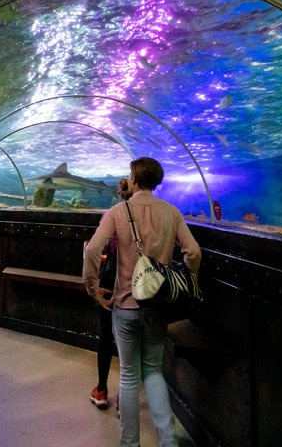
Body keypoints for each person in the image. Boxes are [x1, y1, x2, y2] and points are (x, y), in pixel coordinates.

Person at [83, 157, 202, 447]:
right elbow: (193, 252)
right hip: (157, 308)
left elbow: (93, 249)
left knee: (128, 374)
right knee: (153, 372)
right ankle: (168, 441)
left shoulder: (117, 211)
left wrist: (93, 287)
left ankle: (130, 443)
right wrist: (186, 276)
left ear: (134, 179)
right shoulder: (172, 212)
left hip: (124, 306)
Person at [85, 178, 132, 410]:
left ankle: (101, 389)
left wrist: (92, 286)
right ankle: (126, 395)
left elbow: (95, 247)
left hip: (110, 279)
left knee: (106, 337)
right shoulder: (157, 212)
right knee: (132, 341)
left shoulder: (112, 213)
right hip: (139, 283)